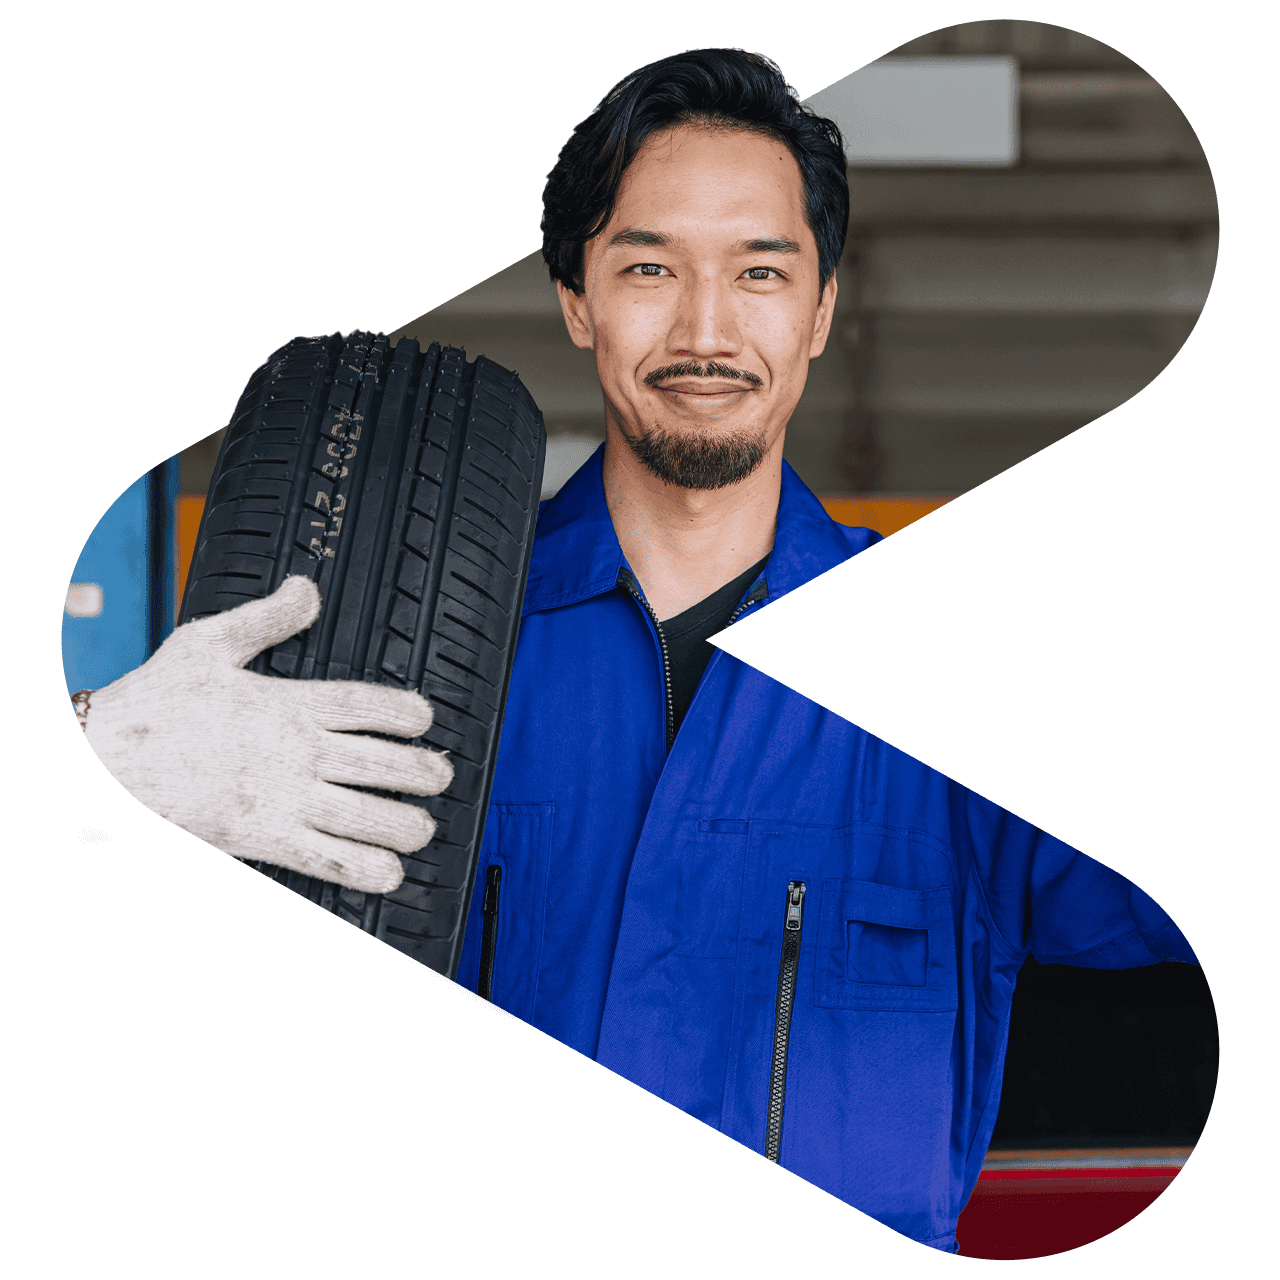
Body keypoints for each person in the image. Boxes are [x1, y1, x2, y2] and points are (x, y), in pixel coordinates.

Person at [79, 49, 1195, 1253]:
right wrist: (102, 759)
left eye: (760, 271)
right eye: (649, 266)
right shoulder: (378, 650)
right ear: (578, 299)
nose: (705, 329)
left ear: (820, 308)